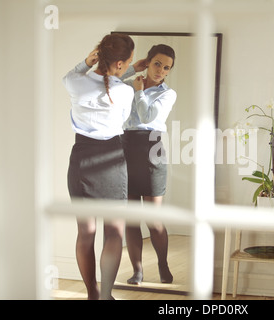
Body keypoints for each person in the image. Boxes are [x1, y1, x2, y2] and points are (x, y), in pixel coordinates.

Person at [63, 33, 135, 300]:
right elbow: (121, 113)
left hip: (81, 159)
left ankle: (92, 293)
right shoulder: (125, 92)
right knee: (114, 231)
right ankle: (106, 295)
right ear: (118, 64)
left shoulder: (75, 83)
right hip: (111, 160)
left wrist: (86, 62)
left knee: (85, 232)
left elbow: (73, 77)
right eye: (127, 63)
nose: (127, 66)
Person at [120, 44, 177, 285]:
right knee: (132, 217)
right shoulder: (129, 85)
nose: (161, 70)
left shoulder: (168, 93)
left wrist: (139, 91)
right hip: (126, 146)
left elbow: (147, 117)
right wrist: (134, 68)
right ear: (148, 61)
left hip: (152, 148)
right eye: (156, 63)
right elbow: (108, 80)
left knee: (153, 219)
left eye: (166, 68)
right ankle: (138, 271)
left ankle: (162, 265)